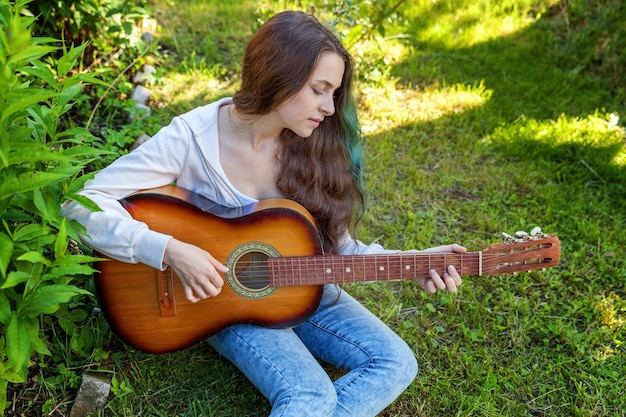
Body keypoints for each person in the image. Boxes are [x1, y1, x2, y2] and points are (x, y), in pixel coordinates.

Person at [62, 10, 466, 416]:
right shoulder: (191, 140)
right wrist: (168, 250)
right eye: (318, 89)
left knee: (397, 362)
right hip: (221, 299)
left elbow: (341, 251)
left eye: (334, 93)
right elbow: (78, 206)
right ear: (279, 75)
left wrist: (411, 264)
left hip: (308, 285)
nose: (329, 107)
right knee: (311, 396)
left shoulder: (318, 146)